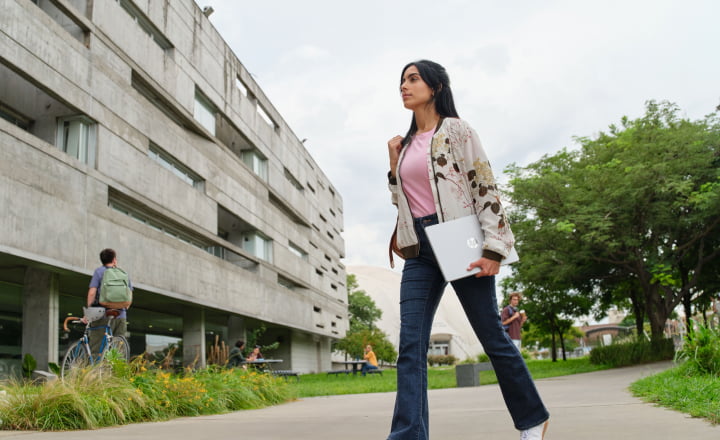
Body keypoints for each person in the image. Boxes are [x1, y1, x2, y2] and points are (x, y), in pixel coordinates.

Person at [386, 60, 549, 440]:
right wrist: (393, 167)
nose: (404, 87)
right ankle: (407, 436)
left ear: (436, 86)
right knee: (410, 346)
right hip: (420, 250)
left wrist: (495, 249)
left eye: (413, 80)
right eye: (402, 81)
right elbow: (401, 203)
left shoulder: (457, 130)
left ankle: (532, 419)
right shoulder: (405, 144)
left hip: (460, 237)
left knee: (492, 335)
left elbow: (484, 186)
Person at [85, 248, 132, 355]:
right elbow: (129, 293)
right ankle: (115, 371)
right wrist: (125, 307)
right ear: (114, 260)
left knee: (97, 348)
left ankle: (97, 371)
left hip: (102, 314)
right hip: (120, 315)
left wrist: (89, 313)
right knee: (118, 350)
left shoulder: (99, 271)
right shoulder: (123, 273)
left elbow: (92, 292)